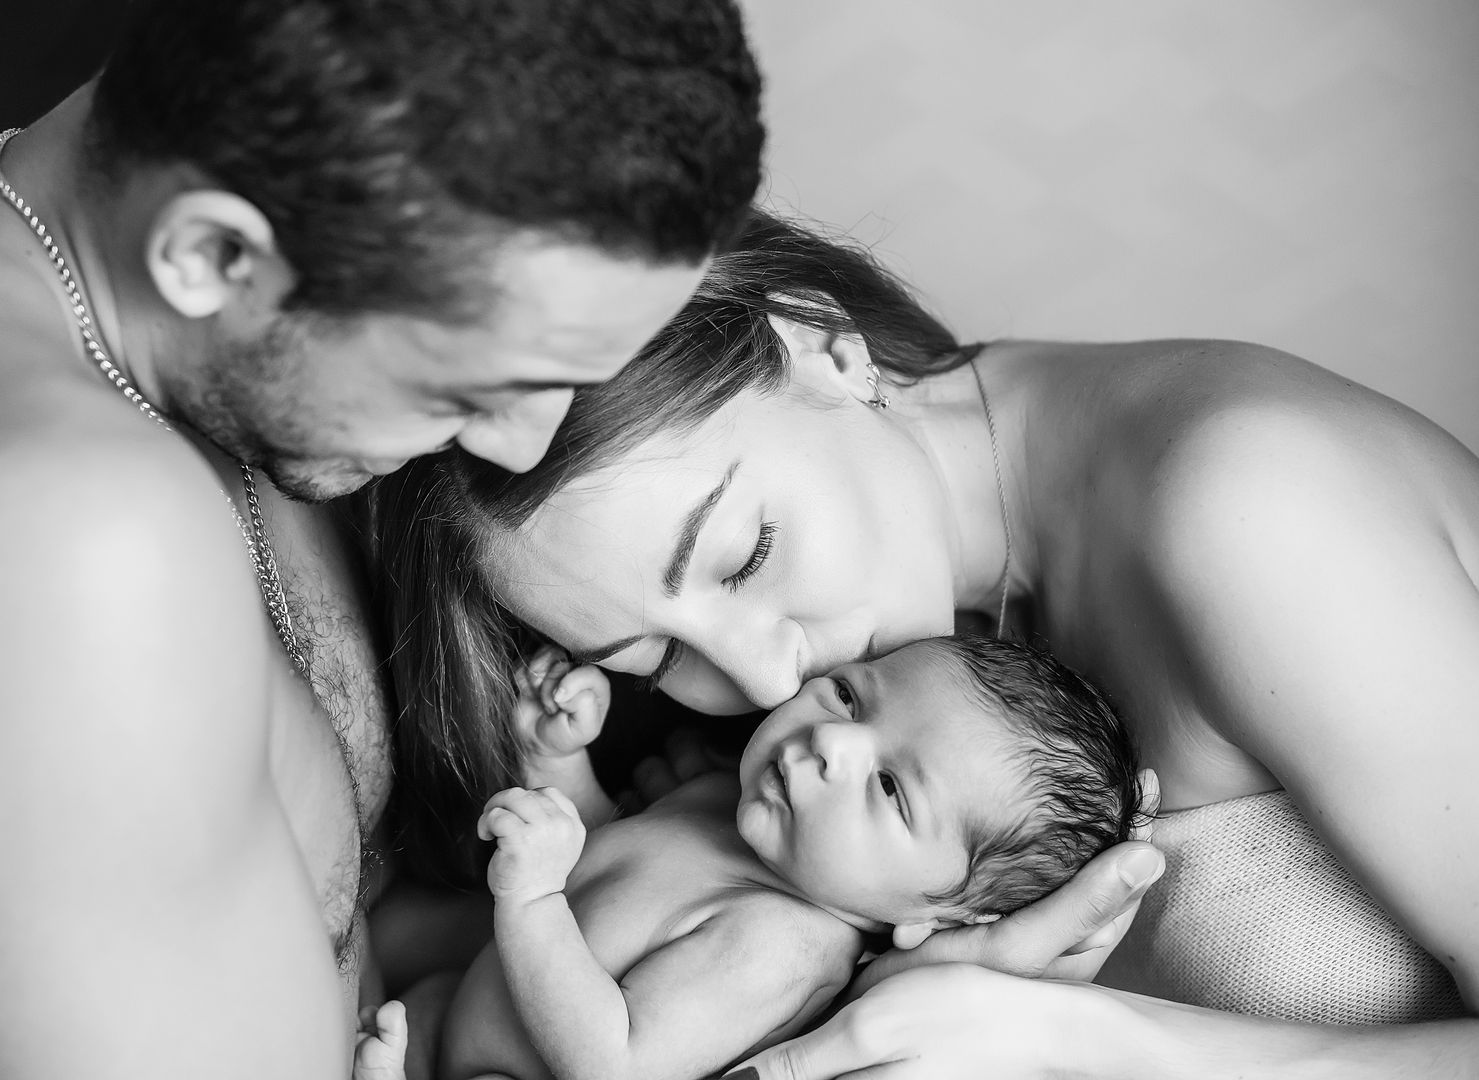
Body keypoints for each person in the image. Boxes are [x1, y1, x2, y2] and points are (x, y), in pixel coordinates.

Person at [366, 208, 1479, 1077]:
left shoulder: (1243, 507)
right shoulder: (848, 731)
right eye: (652, 657)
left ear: (826, 349)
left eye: (744, 556)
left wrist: (1086, 1042)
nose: (762, 678)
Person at [0, 0, 765, 1074]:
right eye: (474, 389)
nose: (521, 448)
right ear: (214, 255)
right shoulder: (75, 535)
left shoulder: (221, 359)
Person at [353, 634, 1142, 1080]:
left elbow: (614, 1061)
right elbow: (606, 869)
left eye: (892, 789)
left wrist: (530, 898)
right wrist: (556, 759)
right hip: (459, 1012)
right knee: (397, 961)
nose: (832, 743)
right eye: (848, 695)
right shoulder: (723, 802)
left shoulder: (782, 948)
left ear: (935, 913)